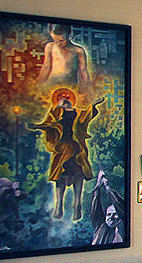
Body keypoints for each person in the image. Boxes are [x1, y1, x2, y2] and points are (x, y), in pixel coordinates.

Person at [29, 89, 103, 220]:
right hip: (62, 149)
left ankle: (77, 206)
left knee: (79, 175)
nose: (65, 99)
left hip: (76, 149)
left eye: (67, 97)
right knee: (60, 177)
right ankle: (58, 207)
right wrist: (38, 126)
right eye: (62, 98)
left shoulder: (78, 113)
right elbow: (48, 124)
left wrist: (94, 105)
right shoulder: (56, 112)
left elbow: (88, 114)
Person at [37, 23, 92, 98]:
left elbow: (83, 70)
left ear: (69, 36)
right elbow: (46, 66)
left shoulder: (78, 50)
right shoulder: (50, 47)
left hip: (69, 86)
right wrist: (38, 84)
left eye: (61, 40)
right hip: (51, 84)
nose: (58, 43)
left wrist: (87, 86)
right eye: (55, 40)